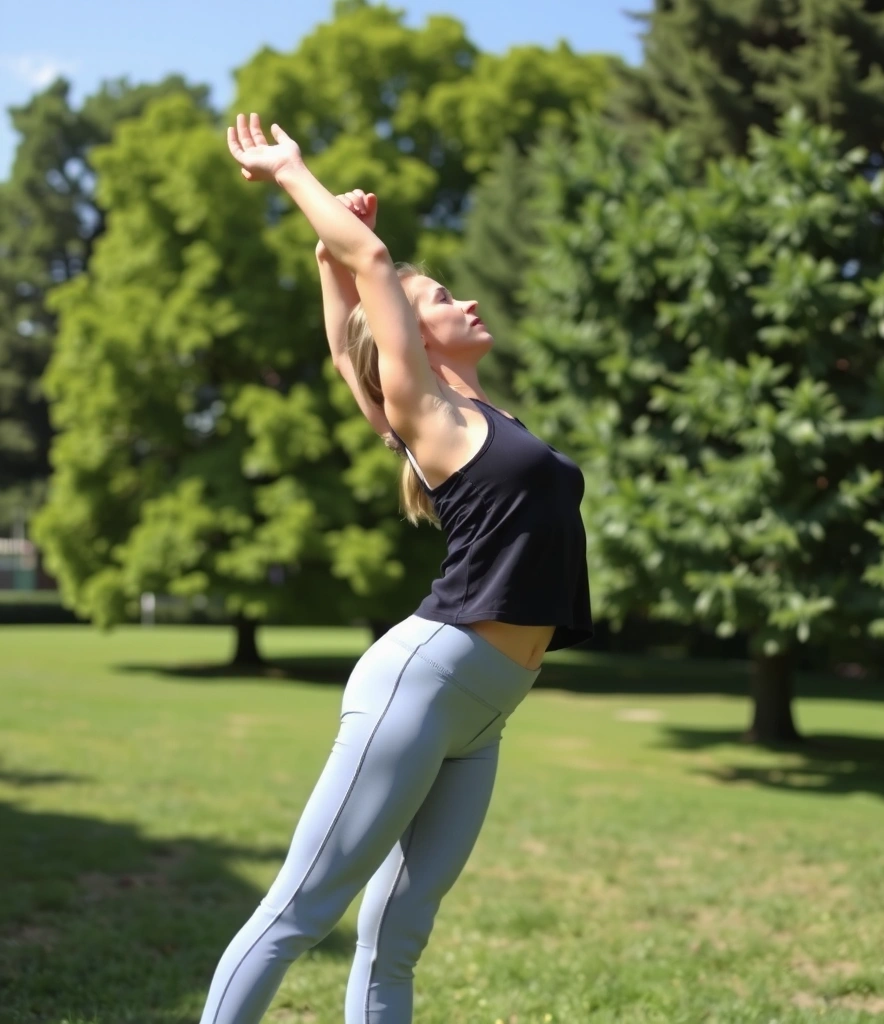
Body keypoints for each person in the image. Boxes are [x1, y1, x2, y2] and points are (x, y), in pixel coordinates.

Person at [200, 113, 591, 1024]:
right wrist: (297, 178)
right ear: (409, 337)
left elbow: (346, 346)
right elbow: (373, 293)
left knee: (400, 931)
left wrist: (326, 264)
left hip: (488, 706)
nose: (469, 303)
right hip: (428, 678)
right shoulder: (425, 413)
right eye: (446, 296)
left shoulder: (472, 413)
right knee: (300, 911)